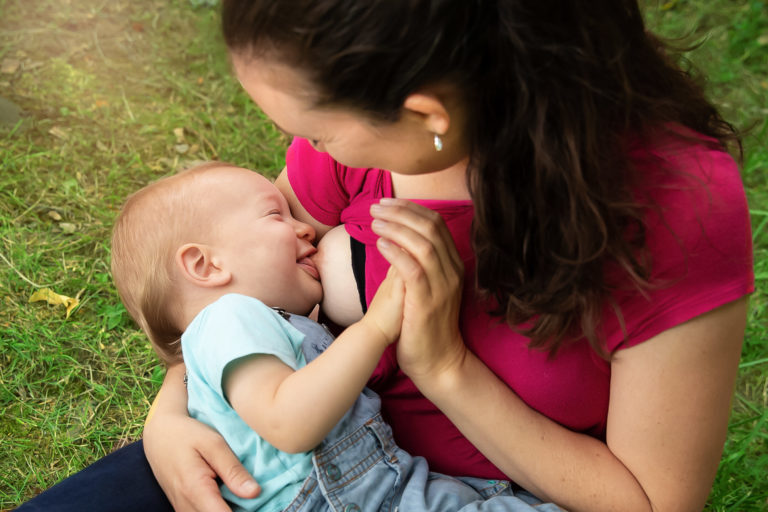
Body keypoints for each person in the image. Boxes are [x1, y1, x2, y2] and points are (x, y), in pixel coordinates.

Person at [17, 1, 754, 511]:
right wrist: (169, 413)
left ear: (426, 112)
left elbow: (650, 499)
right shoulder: (363, 142)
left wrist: (446, 369)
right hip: (287, 465)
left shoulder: (675, 208)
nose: (307, 152)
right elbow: (240, 285)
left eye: (322, 132)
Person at [108, 161, 565, 512]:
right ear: (206, 267)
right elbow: (288, 422)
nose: (304, 226)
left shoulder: (257, 324)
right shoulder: (230, 317)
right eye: (275, 215)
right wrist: (376, 326)